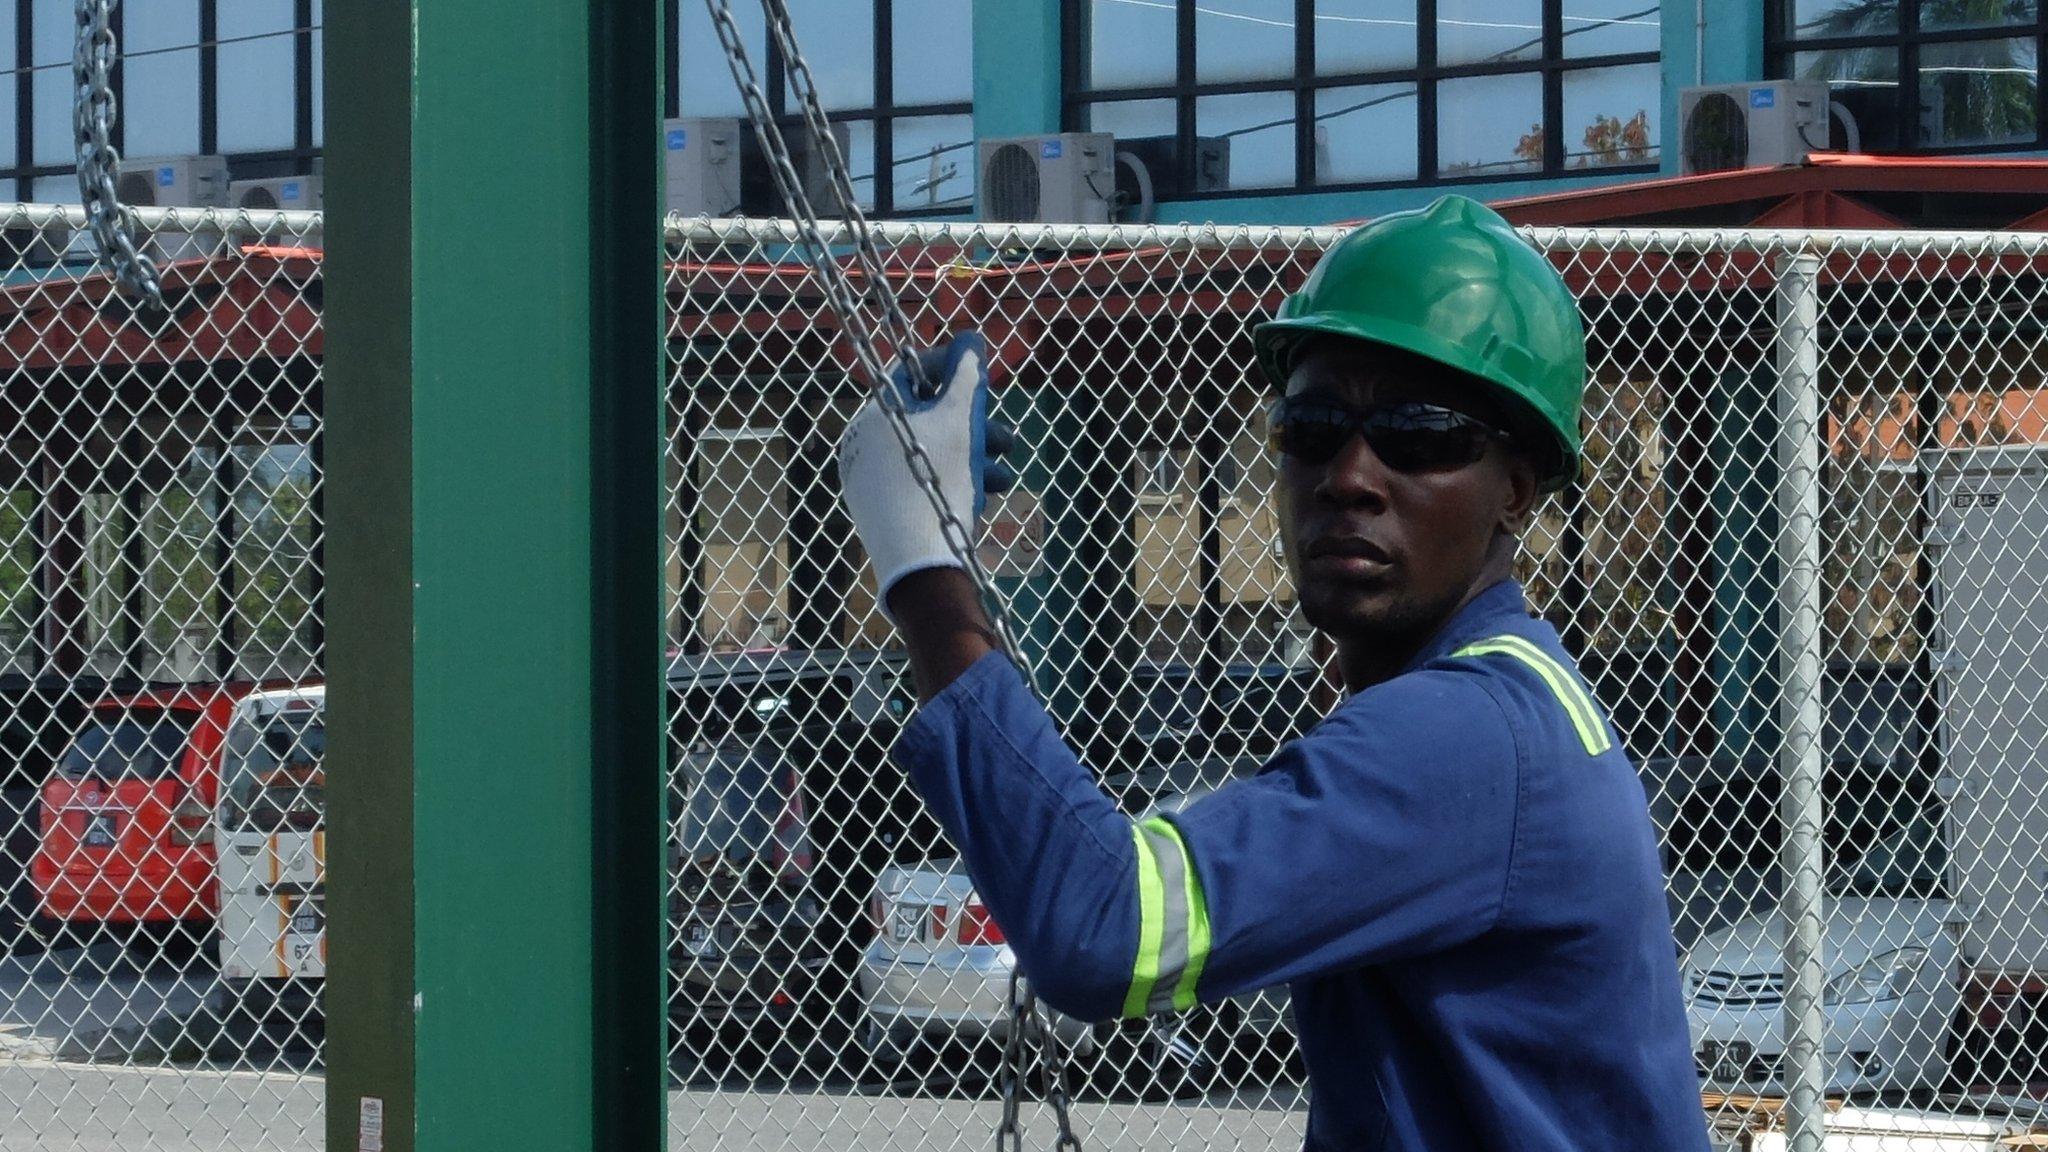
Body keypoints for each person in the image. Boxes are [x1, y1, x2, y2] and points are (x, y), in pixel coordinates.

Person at [834, 195, 1709, 1151]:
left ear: (1518, 490)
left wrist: (925, 577)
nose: (1351, 475)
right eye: (1313, 425)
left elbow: (1104, 927)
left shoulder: (1465, 736)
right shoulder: (1518, 702)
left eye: (1419, 436)